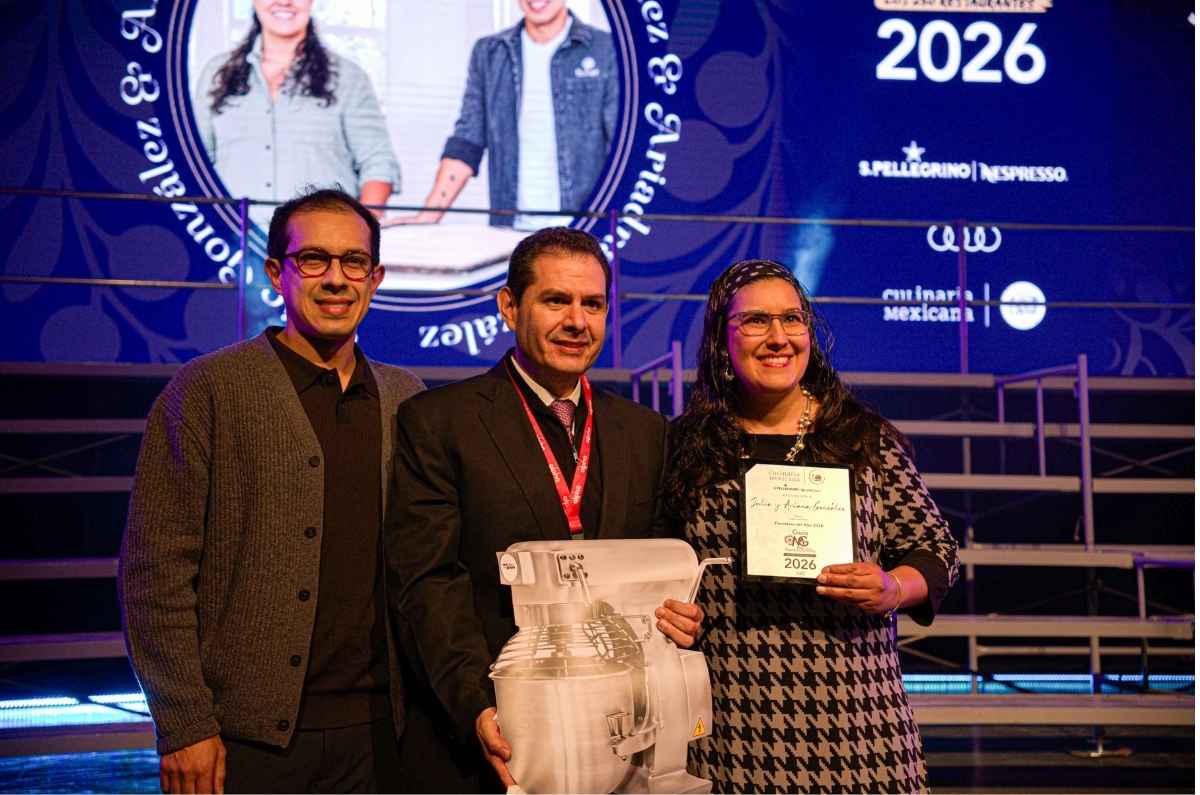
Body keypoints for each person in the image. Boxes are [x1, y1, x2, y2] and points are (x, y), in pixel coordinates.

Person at [119, 189, 423, 793]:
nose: (336, 279)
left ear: (376, 277)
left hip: (382, 736)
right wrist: (183, 725)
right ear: (275, 273)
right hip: (247, 743)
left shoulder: (406, 399)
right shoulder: (207, 391)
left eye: (353, 262)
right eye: (313, 259)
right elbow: (155, 572)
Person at [384, 227, 703, 791]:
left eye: (593, 304)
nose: (577, 321)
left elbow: (659, 574)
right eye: (556, 300)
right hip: (498, 733)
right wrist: (477, 707)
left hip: (622, 745)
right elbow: (428, 582)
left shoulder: (645, 433)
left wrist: (679, 612)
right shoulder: (439, 422)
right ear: (509, 306)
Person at [662, 259, 961, 793]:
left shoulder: (863, 438)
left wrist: (893, 587)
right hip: (733, 733)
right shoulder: (687, 449)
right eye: (756, 321)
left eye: (792, 319)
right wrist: (667, 609)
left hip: (864, 732)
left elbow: (934, 550)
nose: (778, 337)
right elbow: (656, 569)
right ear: (720, 340)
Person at [397, 0, 617, 229]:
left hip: (585, 233)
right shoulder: (490, 53)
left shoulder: (605, 50)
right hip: (511, 231)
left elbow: (621, 148)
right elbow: (467, 141)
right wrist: (427, 216)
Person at [192, 0, 400, 228]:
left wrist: (355, 239)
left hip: (320, 249)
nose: (284, 2)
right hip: (231, 248)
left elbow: (378, 165)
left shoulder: (349, 79)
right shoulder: (217, 75)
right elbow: (195, 165)